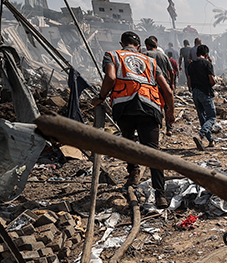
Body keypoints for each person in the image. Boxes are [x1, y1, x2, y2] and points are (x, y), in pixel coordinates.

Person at [91, 31, 174, 208]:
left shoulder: (113, 55)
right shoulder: (150, 61)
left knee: (128, 141)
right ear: (138, 46)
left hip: (124, 106)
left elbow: (110, 77)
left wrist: (101, 97)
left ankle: (133, 171)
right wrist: (171, 113)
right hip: (149, 106)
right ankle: (160, 195)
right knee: (153, 151)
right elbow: (168, 91)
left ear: (122, 44)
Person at [187, 44, 216, 150]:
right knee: (211, 117)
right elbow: (212, 81)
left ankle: (211, 141)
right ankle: (200, 136)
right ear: (206, 54)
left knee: (202, 118)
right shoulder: (207, 64)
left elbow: (190, 83)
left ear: (196, 53)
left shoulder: (190, 65)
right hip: (205, 92)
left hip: (195, 93)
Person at [143, 37, 175, 132]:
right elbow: (171, 72)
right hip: (164, 84)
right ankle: (169, 128)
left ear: (147, 46)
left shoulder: (145, 55)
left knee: (153, 106)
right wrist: (171, 84)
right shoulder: (163, 56)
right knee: (167, 106)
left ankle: (156, 127)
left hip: (150, 85)